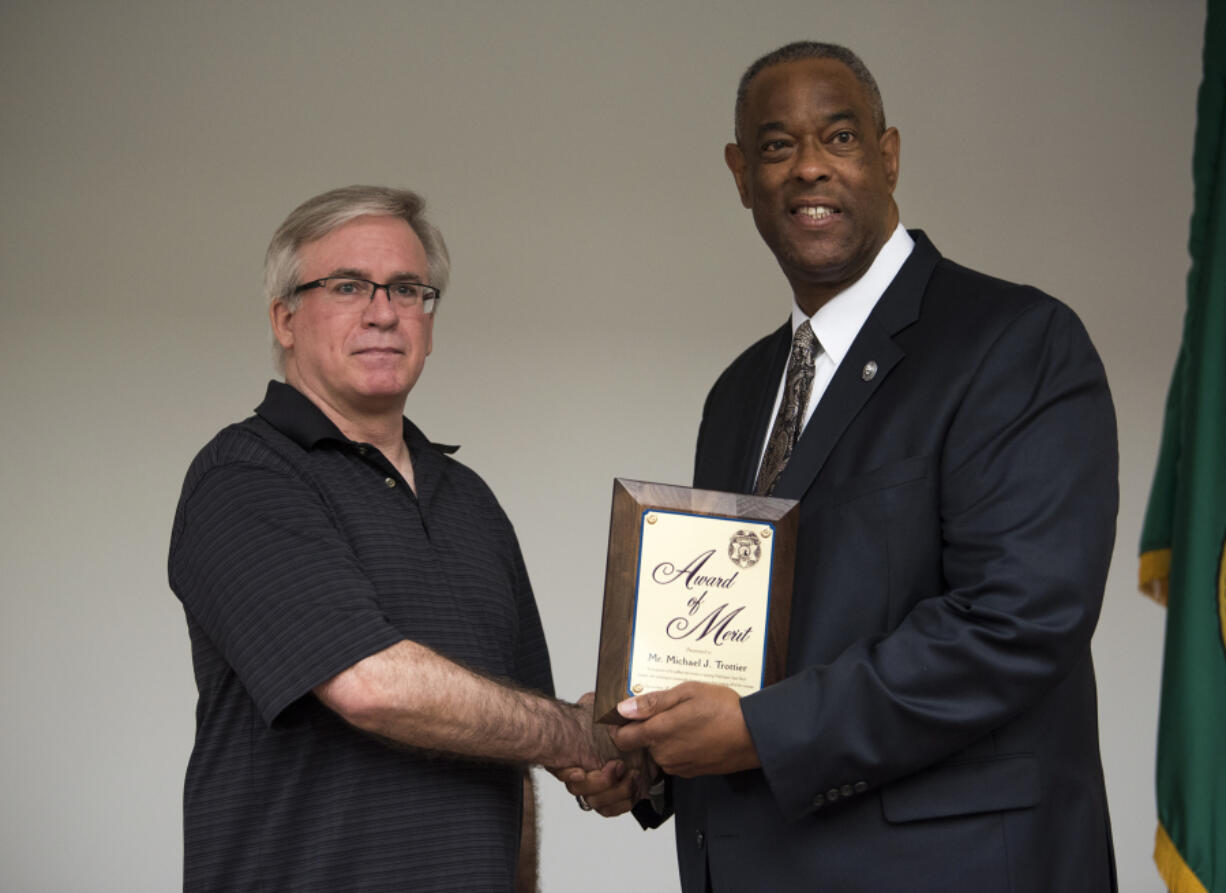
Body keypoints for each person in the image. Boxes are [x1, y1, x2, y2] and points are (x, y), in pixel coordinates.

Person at [563, 41, 1118, 892]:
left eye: (841, 138)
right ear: (741, 173)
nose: (810, 169)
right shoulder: (740, 393)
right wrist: (656, 754)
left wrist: (758, 731)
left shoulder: (1015, 341)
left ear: (889, 156)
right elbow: (744, 648)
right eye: (779, 147)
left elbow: (1016, 621)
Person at [168, 185, 621, 893]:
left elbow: (512, 738)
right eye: (348, 286)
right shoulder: (244, 475)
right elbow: (370, 685)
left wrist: (589, 756)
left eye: (408, 289)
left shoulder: (470, 501)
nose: (383, 312)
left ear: (429, 322)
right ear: (284, 318)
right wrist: (580, 735)